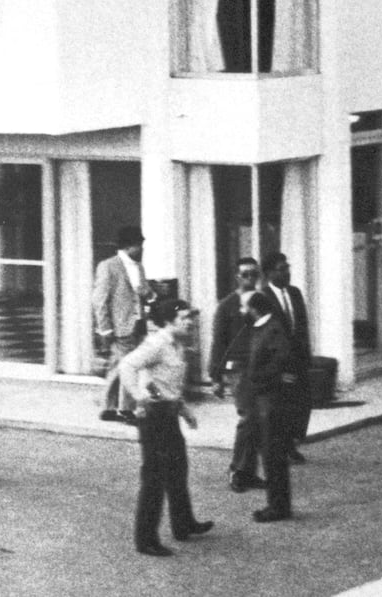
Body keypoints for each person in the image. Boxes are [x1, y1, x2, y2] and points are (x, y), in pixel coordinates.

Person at [119, 298, 213, 557]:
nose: (191, 322)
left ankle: (184, 524)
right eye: (184, 318)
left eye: (190, 318)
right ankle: (146, 539)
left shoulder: (177, 345)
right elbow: (127, 364)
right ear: (169, 321)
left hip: (168, 413)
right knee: (155, 477)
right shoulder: (157, 344)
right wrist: (138, 394)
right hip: (153, 417)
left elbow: (168, 385)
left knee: (178, 468)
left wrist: (184, 410)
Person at [241, 291, 301, 522]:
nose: (241, 311)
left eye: (244, 306)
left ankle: (278, 507)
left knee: (273, 455)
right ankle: (276, 504)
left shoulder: (273, 330)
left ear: (255, 308)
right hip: (265, 400)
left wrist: (259, 381)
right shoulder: (261, 328)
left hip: (272, 402)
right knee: (269, 454)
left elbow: (280, 364)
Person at [209, 257, 266, 493]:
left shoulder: (262, 302)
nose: (250, 279)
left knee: (258, 420)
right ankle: (237, 470)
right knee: (249, 417)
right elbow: (218, 342)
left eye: (254, 274)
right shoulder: (226, 306)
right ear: (237, 277)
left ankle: (249, 472)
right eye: (245, 274)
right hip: (239, 368)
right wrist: (215, 377)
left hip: (261, 366)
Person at [93, 225, 156, 423]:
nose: (142, 249)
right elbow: (100, 300)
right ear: (129, 246)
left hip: (138, 324)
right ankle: (126, 410)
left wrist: (150, 296)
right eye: (139, 245)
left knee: (117, 366)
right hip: (121, 326)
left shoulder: (139, 267)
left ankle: (108, 407)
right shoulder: (108, 266)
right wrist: (105, 328)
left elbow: (145, 292)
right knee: (130, 367)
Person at [261, 252, 311, 464]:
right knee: (281, 406)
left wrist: (306, 355)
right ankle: (280, 447)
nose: (287, 272)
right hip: (278, 361)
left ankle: (292, 442)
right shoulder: (263, 298)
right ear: (270, 273)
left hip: (298, 358)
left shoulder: (295, 293)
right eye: (282, 269)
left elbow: (302, 326)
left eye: (288, 267)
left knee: (300, 404)